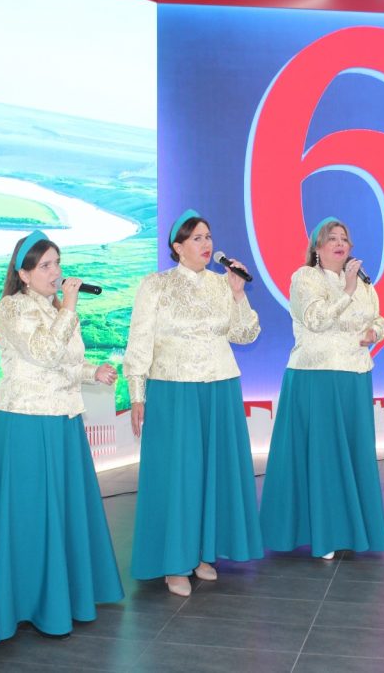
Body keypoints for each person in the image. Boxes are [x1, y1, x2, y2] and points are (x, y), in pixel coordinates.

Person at [0, 231, 124, 639]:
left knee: (60, 511)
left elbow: (62, 362)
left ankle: (63, 596)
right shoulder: (12, 308)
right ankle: (26, 602)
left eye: (57, 263)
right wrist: (70, 308)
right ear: (23, 274)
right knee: (30, 515)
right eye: (45, 266)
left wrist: (91, 372)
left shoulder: (55, 308)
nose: (55, 272)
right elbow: (42, 353)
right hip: (25, 421)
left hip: (62, 419)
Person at [125, 210, 263, 597]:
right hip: (174, 390)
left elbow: (246, 334)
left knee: (212, 473)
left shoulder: (222, 284)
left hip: (219, 387)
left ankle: (203, 554)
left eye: (209, 237)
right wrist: (137, 393)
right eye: (197, 238)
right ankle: (174, 563)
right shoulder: (156, 285)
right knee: (179, 475)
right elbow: (140, 340)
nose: (207, 244)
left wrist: (238, 293)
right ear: (178, 246)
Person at [259, 217, 384, 559]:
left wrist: (375, 332)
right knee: (324, 456)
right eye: (332, 238)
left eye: (344, 238)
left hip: (355, 376)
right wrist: (347, 291)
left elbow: (378, 317)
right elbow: (316, 320)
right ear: (317, 247)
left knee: (352, 454)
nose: (340, 243)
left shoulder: (362, 282)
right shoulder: (305, 278)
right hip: (318, 376)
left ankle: (350, 530)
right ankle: (323, 533)